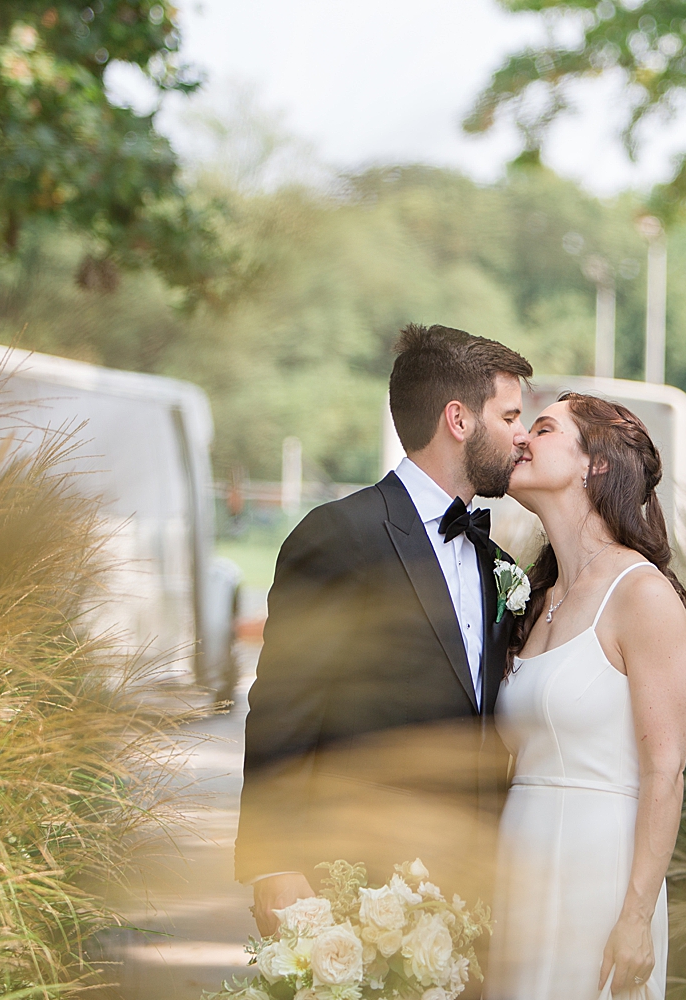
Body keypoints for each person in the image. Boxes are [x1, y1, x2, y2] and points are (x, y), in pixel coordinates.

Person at [235, 324, 532, 949]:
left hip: (474, 892)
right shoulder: (339, 535)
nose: (522, 435)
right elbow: (284, 704)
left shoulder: (493, 558)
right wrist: (274, 858)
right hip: (359, 883)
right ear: (458, 419)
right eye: (509, 416)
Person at [490, 392, 686, 999]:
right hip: (519, 862)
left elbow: (666, 769)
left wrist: (635, 918)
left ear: (594, 464)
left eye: (545, 428)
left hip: (600, 870)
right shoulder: (536, 596)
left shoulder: (642, 595)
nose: (522, 439)